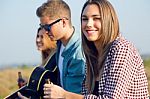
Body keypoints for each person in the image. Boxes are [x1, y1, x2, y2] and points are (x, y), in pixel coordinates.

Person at [43, 0, 149, 98]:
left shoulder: (121, 48)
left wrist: (64, 95)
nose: (88, 24)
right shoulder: (91, 54)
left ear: (108, 20)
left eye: (96, 18)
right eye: (84, 19)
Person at [18, 0, 85, 97]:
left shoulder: (78, 54)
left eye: (47, 27)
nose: (45, 31)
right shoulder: (60, 45)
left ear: (63, 22)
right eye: (42, 27)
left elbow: (72, 95)